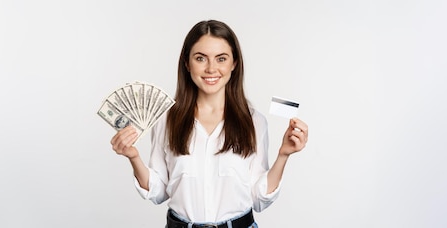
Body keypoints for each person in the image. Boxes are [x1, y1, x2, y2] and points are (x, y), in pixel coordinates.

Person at [110, 19, 309, 228]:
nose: (211, 68)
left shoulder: (254, 121)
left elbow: (258, 200)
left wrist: (283, 155)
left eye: (221, 58)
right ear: (187, 63)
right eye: (200, 58)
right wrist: (133, 157)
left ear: (234, 63)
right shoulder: (166, 120)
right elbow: (159, 193)